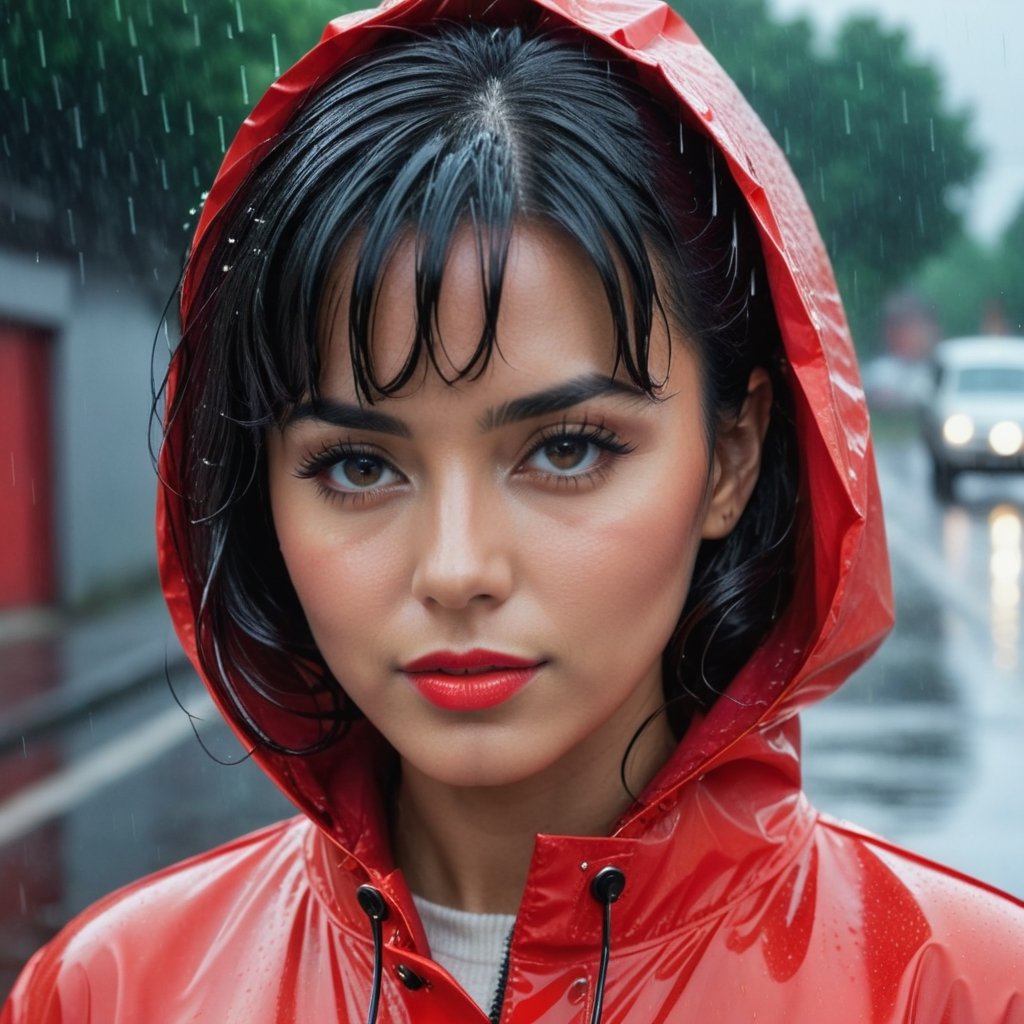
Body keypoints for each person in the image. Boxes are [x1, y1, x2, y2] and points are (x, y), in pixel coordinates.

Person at [4, 0, 1023, 1020]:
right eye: (357, 465)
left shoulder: (957, 990)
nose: (455, 568)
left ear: (733, 453)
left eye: (565, 449)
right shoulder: (116, 989)